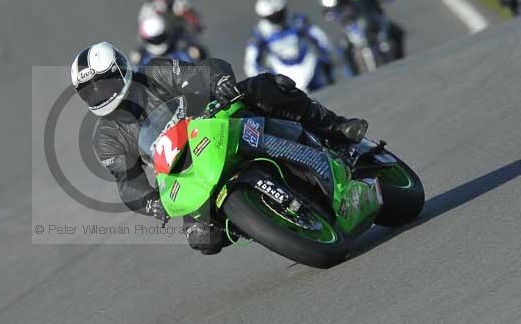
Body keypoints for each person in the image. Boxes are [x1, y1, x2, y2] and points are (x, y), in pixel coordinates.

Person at [70, 42, 368, 256]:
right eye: (89, 90)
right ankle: (263, 219)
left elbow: (204, 71)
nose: (99, 94)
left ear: (121, 70)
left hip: (218, 123)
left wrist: (220, 82)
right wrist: (150, 202)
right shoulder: (106, 136)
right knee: (203, 239)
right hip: (185, 168)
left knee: (268, 86)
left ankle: (334, 127)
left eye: (103, 83)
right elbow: (128, 182)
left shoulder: (154, 71)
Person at [244, 0, 335, 90]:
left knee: (326, 77)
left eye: (279, 14)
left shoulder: (296, 20)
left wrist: (327, 54)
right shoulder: (260, 32)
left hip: (307, 61)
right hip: (280, 69)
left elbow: (318, 36)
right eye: (272, 17)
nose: (277, 18)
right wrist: (261, 80)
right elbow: (251, 61)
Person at [138, 0, 203, 37]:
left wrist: (185, 15)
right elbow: (144, 33)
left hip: (181, 37)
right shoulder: (146, 12)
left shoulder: (178, 3)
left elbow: (195, 24)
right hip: (159, 40)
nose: (161, 1)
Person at [131, 15, 205, 66]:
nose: (157, 41)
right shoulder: (141, 58)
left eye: (160, 38)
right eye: (155, 39)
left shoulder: (183, 47)